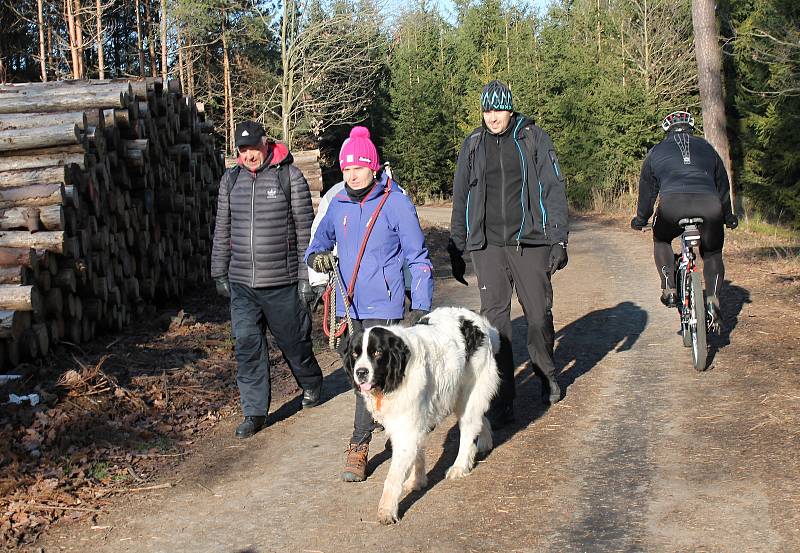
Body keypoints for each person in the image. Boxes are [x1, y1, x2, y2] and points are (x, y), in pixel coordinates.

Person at [305, 126, 433, 482]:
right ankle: (390, 428)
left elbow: (418, 256)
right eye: (346, 168)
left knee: (377, 376)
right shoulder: (337, 204)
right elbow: (316, 245)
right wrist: (317, 260)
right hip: (350, 306)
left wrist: (421, 306)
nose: (352, 174)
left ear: (373, 167)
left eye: (359, 167)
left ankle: (359, 445)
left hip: (387, 308)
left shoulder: (395, 202)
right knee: (363, 378)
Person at [448, 80, 570, 429]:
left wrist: (558, 239)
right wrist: (458, 245)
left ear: (510, 108)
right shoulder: (472, 145)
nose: (492, 117)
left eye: (498, 109)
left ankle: (546, 371)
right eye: (487, 110)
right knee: (495, 326)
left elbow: (553, 188)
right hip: (487, 247)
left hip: (529, 242)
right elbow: (461, 197)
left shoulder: (532, 138)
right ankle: (503, 401)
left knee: (537, 315)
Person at [210, 120, 323, 439]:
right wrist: (219, 271)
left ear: (266, 144)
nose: (249, 155)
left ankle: (312, 382)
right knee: (247, 346)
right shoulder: (230, 181)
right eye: (242, 150)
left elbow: (306, 231)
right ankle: (254, 412)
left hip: (283, 282)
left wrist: (307, 277)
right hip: (243, 285)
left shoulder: (290, 177)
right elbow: (222, 229)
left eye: (253, 148)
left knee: (294, 343)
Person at [630, 111, 738, 330]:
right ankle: (713, 298)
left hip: (672, 205)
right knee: (713, 253)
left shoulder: (655, 152)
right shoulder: (707, 148)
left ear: (667, 130)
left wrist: (641, 219)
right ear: (691, 128)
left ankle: (669, 287)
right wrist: (728, 216)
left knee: (661, 240)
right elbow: (722, 185)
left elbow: (647, 191)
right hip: (710, 205)